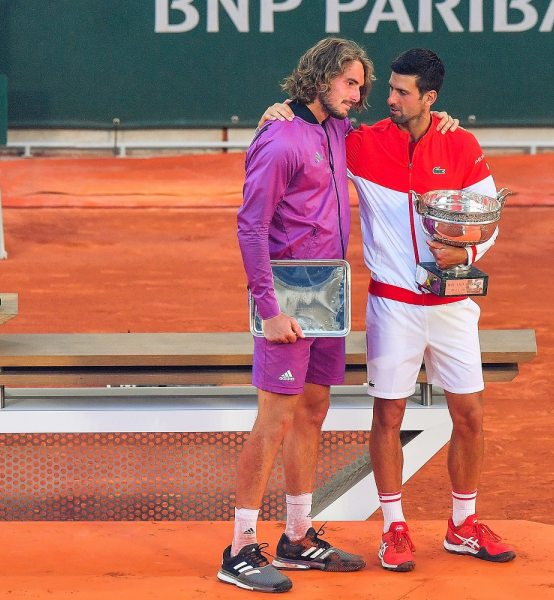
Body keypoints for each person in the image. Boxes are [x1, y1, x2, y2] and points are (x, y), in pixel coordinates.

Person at [260, 47, 515, 573]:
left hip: (453, 304)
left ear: (430, 98)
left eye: (402, 92)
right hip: (393, 306)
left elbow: (487, 218)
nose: (389, 99)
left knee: (470, 415)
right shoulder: (361, 142)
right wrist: (278, 111)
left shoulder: (461, 143)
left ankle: (463, 525)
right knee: (388, 415)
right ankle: (394, 527)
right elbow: (308, 131)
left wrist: (467, 255)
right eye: (390, 88)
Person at [220, 38, 372, 594]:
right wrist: (269, 309)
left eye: (360, 86)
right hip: (285, 298)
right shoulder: (281, 138)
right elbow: (251, 226)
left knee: (313, 409)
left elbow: (387, 136)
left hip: (328, 291)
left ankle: (298, 536)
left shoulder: (336, 129)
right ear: (321, 79)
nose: (356, 95)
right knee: (275, 419)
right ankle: (239, 549)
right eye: (349, 83)